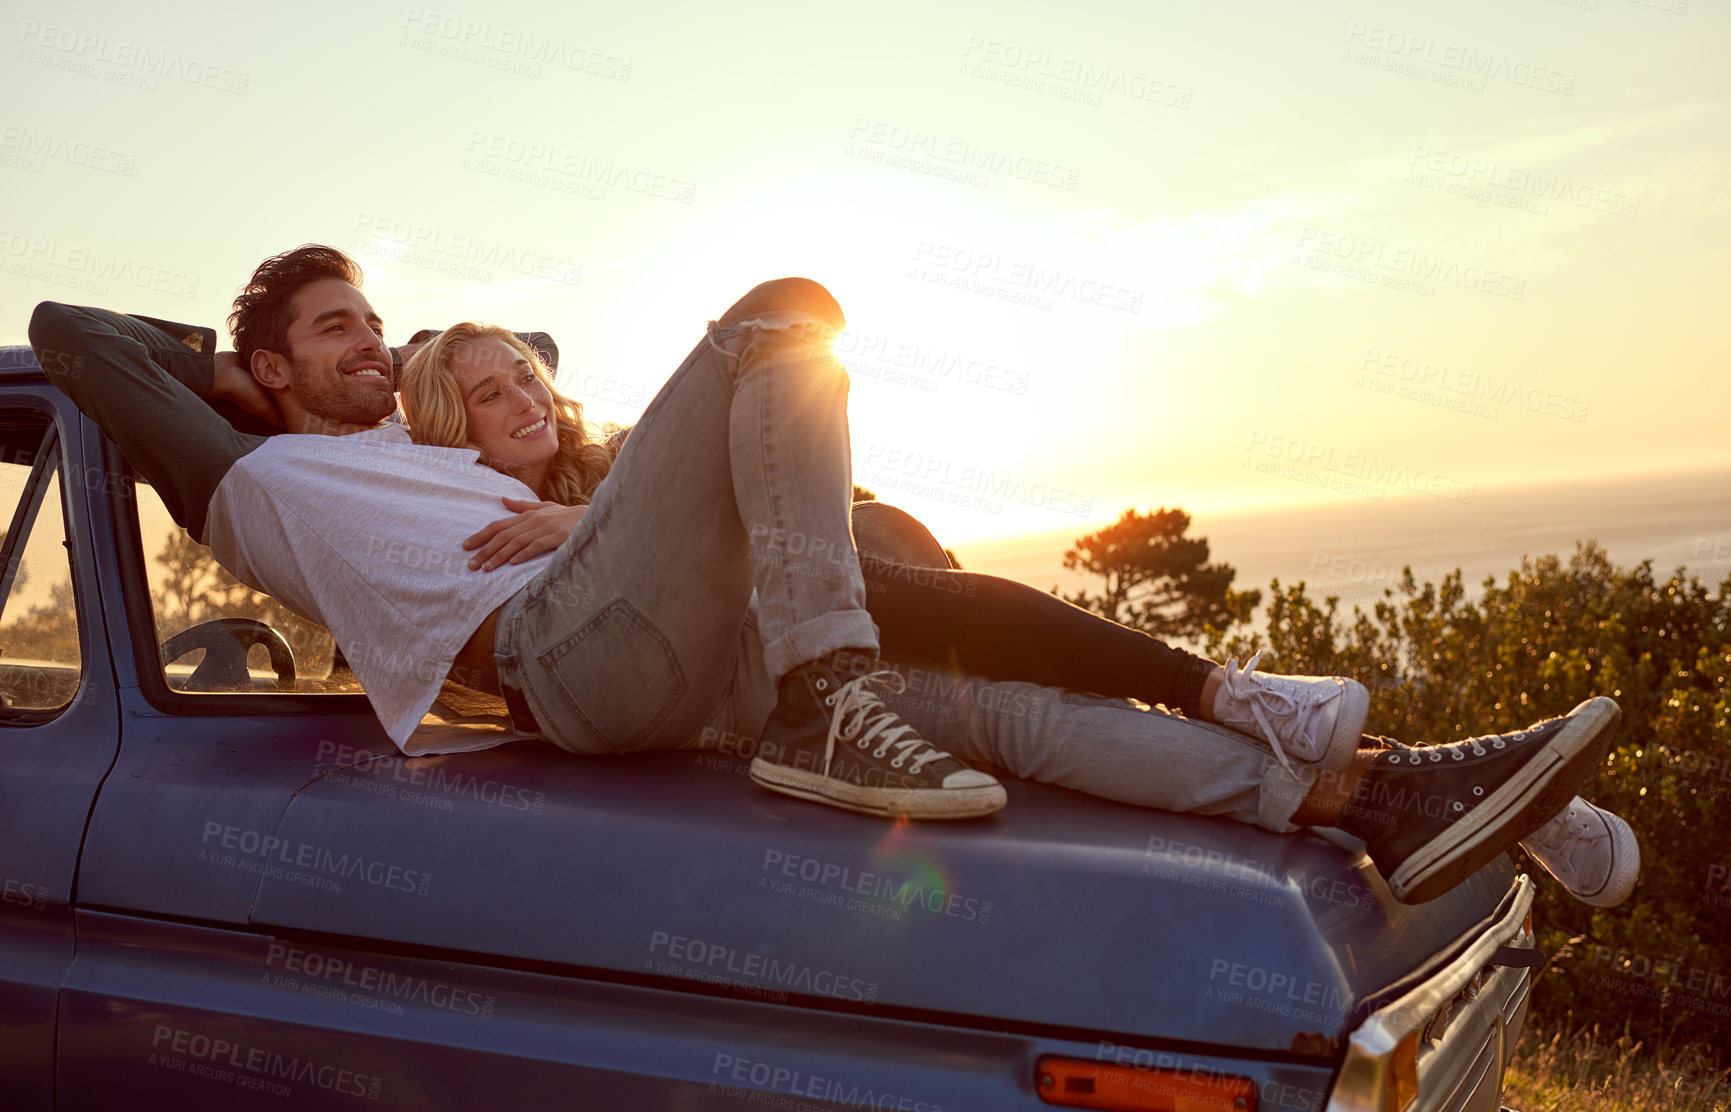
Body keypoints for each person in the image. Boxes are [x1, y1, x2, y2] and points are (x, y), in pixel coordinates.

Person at [28, 245, 1632, 907]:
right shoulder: (261, 479)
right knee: (783, 313)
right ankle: (827, 688)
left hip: (640, 638)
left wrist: (576, 501)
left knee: (990, 704)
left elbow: (555, 384)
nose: (369, 348)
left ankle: (1370, 793)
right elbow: (77, 341)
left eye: (372, 323)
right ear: (259, 373)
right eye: (334, 335)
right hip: (567, 656)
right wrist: (231, 385)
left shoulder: (436, 448)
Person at [395, 320, 1640, 909]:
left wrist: (595, 511)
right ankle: (1394, 783)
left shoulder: (620, 472)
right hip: (766, 685)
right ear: (448, 426)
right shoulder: (465, 515)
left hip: (856, 616)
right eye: (489, 393)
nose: (526, 401)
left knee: (1014, 658)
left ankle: (1418, 789)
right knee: (1046, 717)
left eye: (528, 377)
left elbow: (805, 503)